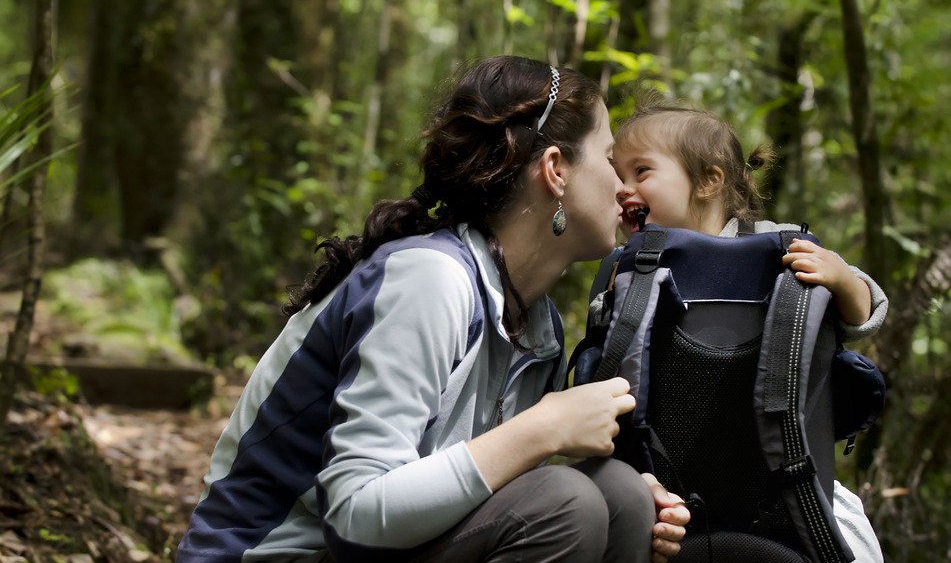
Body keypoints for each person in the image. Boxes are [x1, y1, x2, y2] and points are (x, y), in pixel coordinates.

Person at [177, 56, 690, 563]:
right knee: (563, 502)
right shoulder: (430, 278)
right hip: (283, 554)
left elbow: (480, 480)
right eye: (607, 158)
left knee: (622, 496)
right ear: (555, 169)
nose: (624, 188)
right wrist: (544, 428)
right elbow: (355, 515)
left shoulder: (539, 324)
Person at [610, 103, 887, 562]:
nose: (624, 189)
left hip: (789, 473)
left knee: (854, 536)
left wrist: (839, 278)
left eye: (641, 171)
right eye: (618, 176)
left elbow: (859, 316)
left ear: (708, 181)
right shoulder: (631, 267)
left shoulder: (775, 245)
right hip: (667, 476)